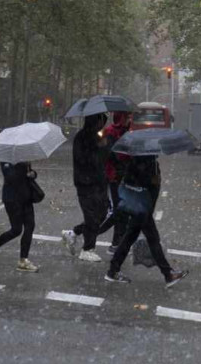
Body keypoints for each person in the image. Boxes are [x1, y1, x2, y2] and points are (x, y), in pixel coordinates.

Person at [105, 154, 188, 287]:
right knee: (153, 239)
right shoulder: (145, 162)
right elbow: (145, 184)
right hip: (142, 209)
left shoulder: (139, 161)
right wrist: (153, 180)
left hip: (139, 207)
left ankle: (112, 271)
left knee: (129, 239)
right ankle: (168, 274)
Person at [62, 113, 108, 262]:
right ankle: (88, 249)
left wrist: (103, 147)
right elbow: (84, 160)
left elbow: (102, 159)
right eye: (101, 120)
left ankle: (73, 233)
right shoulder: (82, 137)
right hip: (86, 183)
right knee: (92, 216)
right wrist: (98, 148)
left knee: (102, 213)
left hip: (99, 182)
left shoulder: (96, 136)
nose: (103, 124)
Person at [0, 160, 40, 272]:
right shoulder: (6, 158)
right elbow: (10, 177)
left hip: (26, 197)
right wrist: (23, 169)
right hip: (12, 199)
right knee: (16, 230)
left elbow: (30, 173)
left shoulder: (23, 154)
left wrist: (32, 173)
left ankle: (23, 260)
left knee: (30, 226)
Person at [99, 111, 134, 251]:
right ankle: (87, 232)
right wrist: (122, 164)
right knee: (120, 211)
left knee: (123, 212)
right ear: (121, 117)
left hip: (126, 176)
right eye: (128, 116)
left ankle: (116, 242)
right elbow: (110, 153)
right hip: (115, 176)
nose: (130, 119)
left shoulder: (130, 132)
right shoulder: (110, 132)